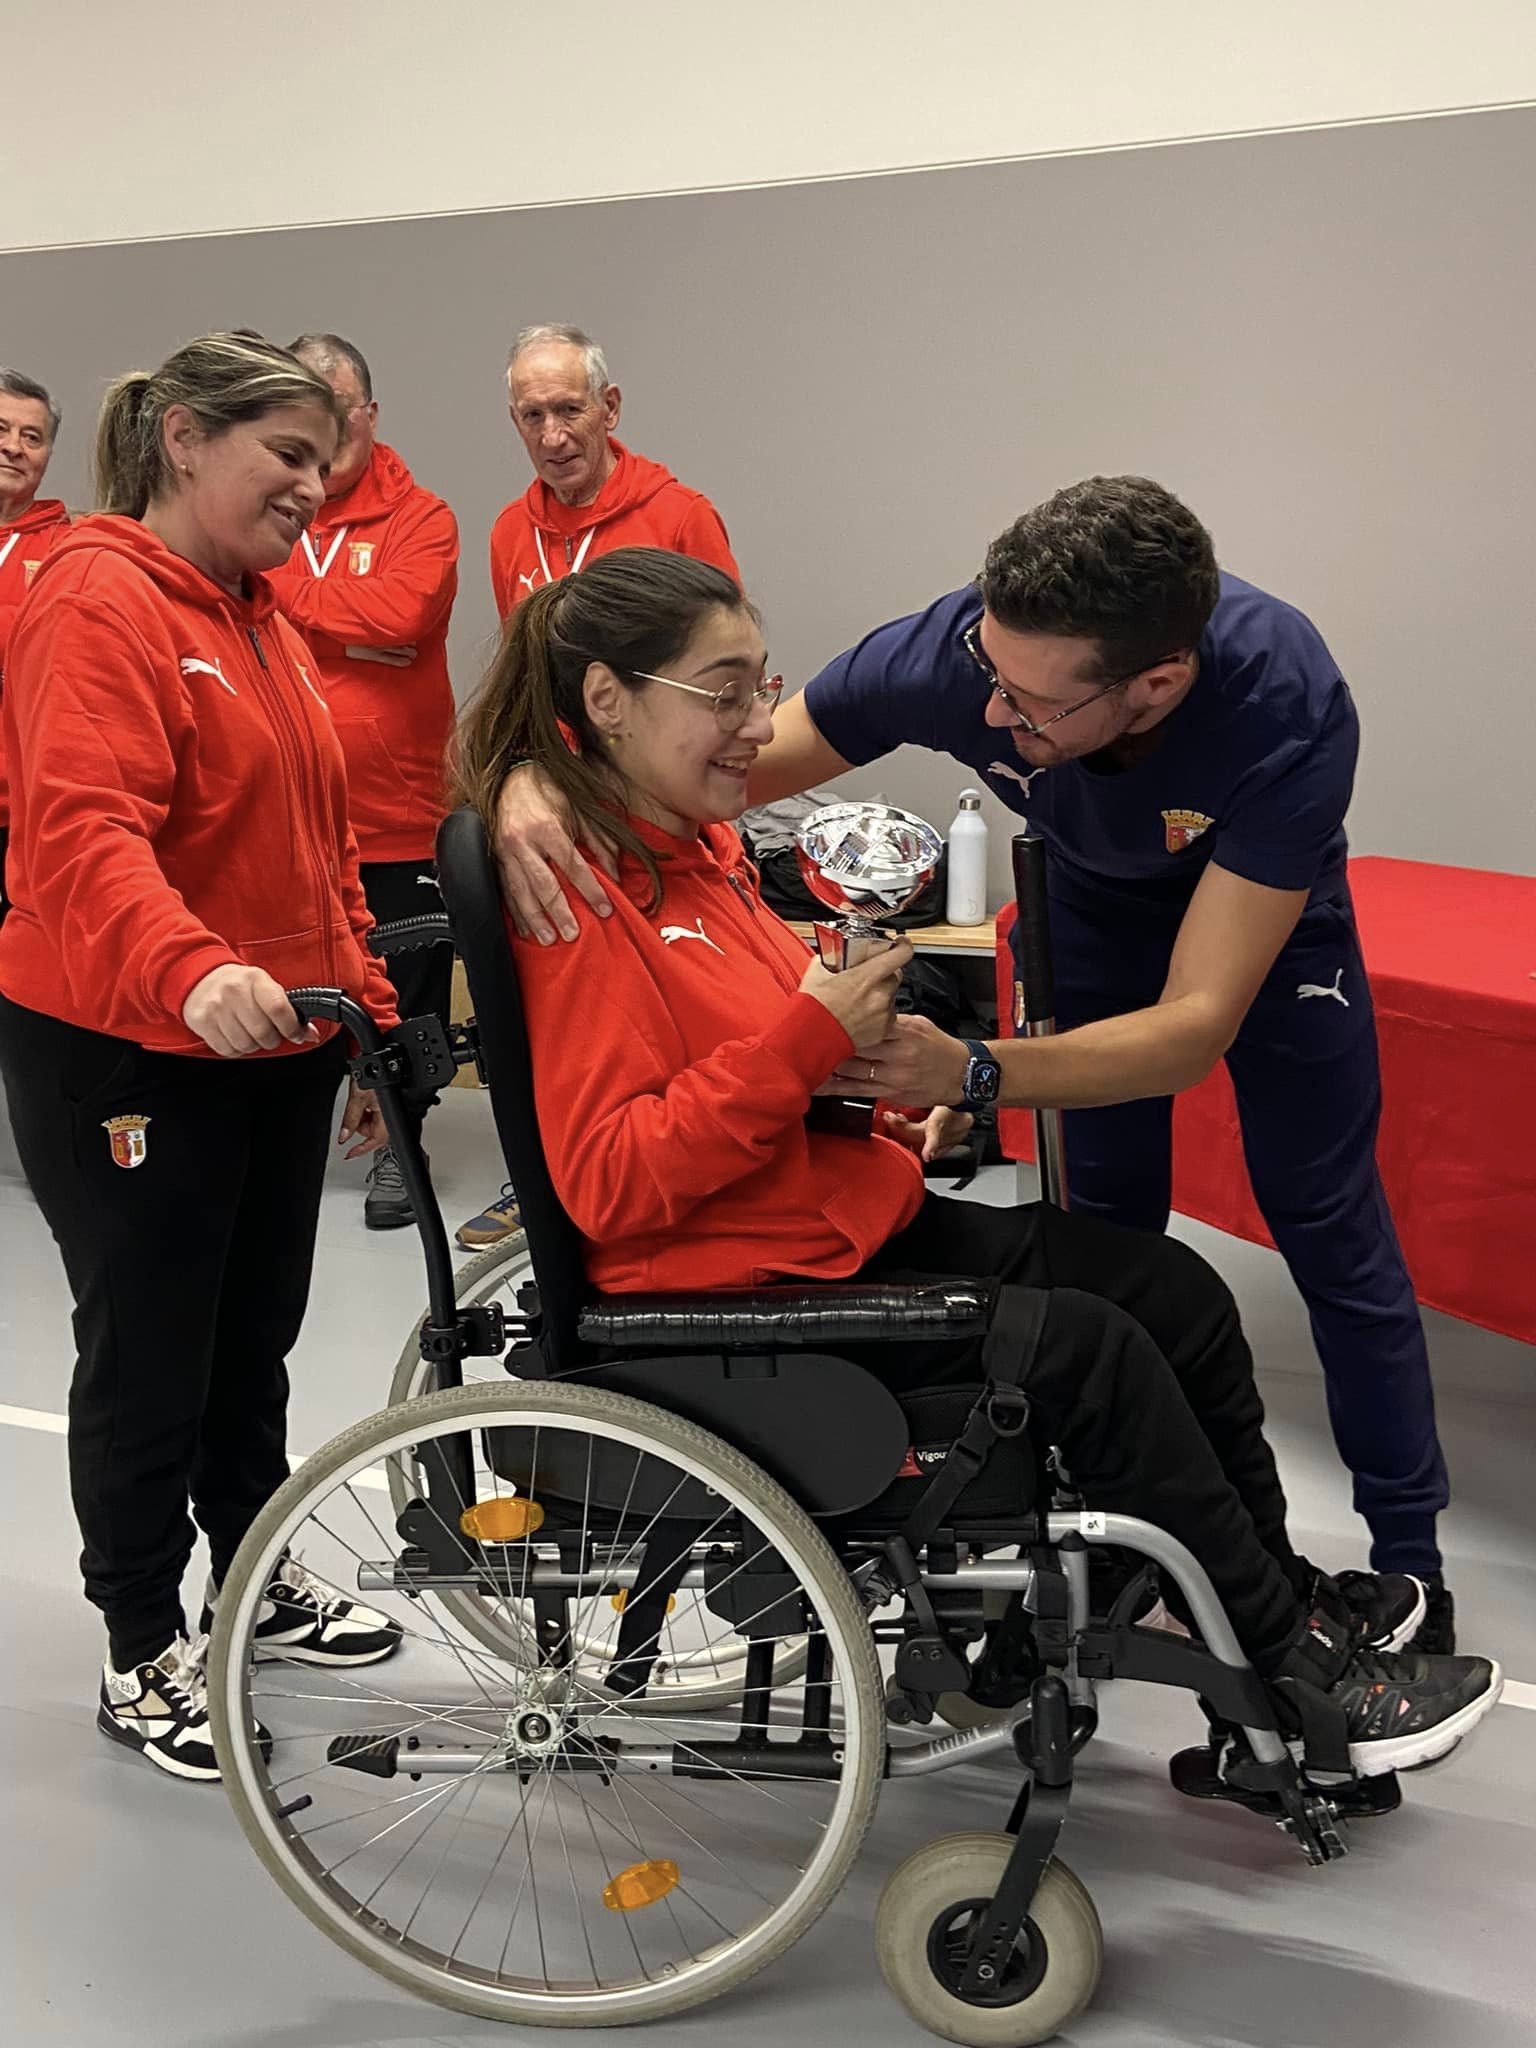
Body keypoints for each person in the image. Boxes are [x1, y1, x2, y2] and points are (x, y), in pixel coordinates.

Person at [452, 544, 1500, 1778]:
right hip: (734, 1288)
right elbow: (610, 1183)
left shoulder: (698, 853)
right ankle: (1298, 1681)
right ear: (609, 700)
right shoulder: (579, 896)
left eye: (760, 687)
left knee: (1172, 1290)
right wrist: (806, 1038)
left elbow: (1185, 1026)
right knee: (1097, 1354)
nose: (759, 728)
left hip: (825, 1224)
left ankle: (1267, 1605)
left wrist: (891, 1103)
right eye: (725, 694)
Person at [0, 333, 404, 1785]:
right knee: (150, 1349)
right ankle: (137, 1641)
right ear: (183, 437)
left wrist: (366, 1009)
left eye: (325, 462)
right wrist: (191, 966)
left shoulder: (261, 619)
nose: (314, 486)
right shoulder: (94, 595)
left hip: (271, 1036)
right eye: (287, 454)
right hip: (127, 1042)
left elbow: (320, 845)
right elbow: (82, 832)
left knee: (253, 1334)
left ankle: (252, 1570)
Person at [460, 323, 743, 1253]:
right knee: (565, 1011)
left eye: (568, 409)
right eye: (530, 416)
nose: (552, 435)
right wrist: (519, 776)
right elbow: (524, 691)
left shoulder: (679, 514)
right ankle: (544, 1171)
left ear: (609, 409)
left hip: (658, 814)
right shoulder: (510, 533)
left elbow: (723, 675)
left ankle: (692, 1172)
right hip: (568, 809)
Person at [266, 332, 459, 1231]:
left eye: (338, 408)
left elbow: (404, 613)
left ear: (368, 414)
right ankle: (294, 1134)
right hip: (282, 810)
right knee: (294, 978)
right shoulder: (269, 506)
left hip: (396, 810)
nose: (324, 427)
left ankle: (401, 1143)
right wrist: (349, 633)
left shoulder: (423, 517)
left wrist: (283, 604)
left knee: (407, 985)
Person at [0, 368, 72, 923]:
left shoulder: (68, 551)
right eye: (1, 430)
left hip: (16, 810)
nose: (14, 447)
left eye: (32, 437)